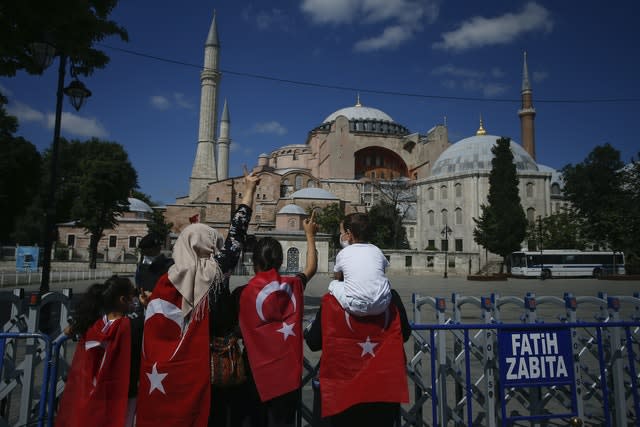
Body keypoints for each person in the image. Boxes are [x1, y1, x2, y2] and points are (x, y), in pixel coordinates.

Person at [136, 170, 259, 427]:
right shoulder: (214, 272)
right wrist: (249, 190)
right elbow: (237, 234)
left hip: (178, 370)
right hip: (215, 367)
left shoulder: (167, 280)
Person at [223, 211, 318, 427]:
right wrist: (310, 236)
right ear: (281, 261)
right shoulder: (292, 286)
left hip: (252, 372)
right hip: (286, 375)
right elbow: (310, 269)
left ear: (254, 261)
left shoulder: (242, 293)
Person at [304, 289, 411, 427]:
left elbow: (313, 342)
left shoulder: (332, 299)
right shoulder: (391, 296)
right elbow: (405, 333)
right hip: (380, 390)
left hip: (342, 390)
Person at [55, 276, 148, 427]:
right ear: (123, 300)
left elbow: (66, 333)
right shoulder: (131, 325)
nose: (136, 299)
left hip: (93, 390)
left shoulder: (93, 324)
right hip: (124, 392)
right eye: (134, 295)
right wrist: (146, 306)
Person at [328, 212, 392, 316]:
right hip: (382, 305)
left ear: (349, 234)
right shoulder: (377, 250)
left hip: (356, 306)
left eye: (342, 233)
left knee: (333, 285)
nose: (341, 236)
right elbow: (382, 271)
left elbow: (338, 277)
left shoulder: (344, 253)